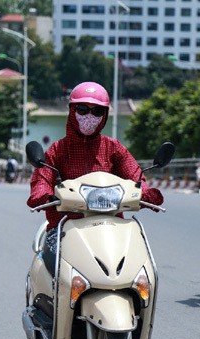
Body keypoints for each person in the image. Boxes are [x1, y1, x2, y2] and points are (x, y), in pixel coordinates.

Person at [27, 81, 164, 274]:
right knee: (53, 270)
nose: (89, 116)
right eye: (82, 109)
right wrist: (44, 194)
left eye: (97, 112)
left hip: (110, 226)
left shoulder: (113, 148)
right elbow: (43, 177)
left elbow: (134, 175)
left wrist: (146, 193)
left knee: (139, 264)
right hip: (66, 227)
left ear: (105, 115)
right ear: (72, 110)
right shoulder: (58, 150)